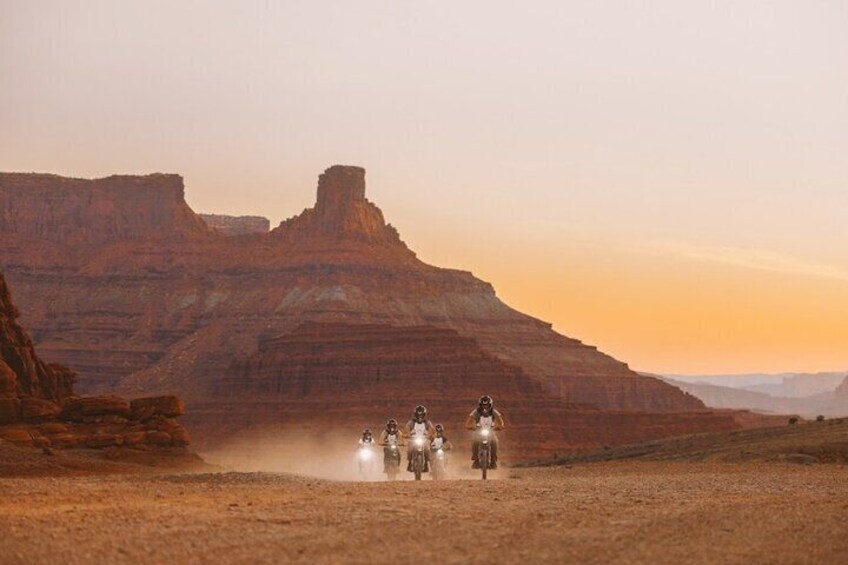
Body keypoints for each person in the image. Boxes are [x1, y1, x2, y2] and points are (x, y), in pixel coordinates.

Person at [465, 395, 505, 469]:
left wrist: (499, 427)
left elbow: (501, 423)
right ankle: (475, 460)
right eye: (483, 405)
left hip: (490, 431)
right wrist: (471, 427)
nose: (485, 407)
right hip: (478, 431)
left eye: (487, 405)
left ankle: (493, 461)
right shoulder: (475, 412)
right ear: (480, 405)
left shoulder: (494, 412)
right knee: (474, 440)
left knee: (495, 441)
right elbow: (468, 423)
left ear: (490, 405)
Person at [406, 405, 436, 472]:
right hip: (413, 439)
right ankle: (409, 463)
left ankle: (426, 464)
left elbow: (433, 430)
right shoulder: (411, 422)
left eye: (421, 415)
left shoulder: (427, 423)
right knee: (409, 449)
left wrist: (430, 435)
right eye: (418, 414)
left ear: (424, 414)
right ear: (415, 414)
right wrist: (408, 435)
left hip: (424, 439)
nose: (420, 416)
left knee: (427, 450)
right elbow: (407, 429)